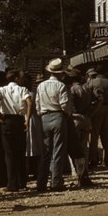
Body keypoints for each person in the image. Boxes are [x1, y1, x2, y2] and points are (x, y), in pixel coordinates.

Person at [0, 69, 32, 192]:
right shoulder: (23, 90)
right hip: (19, 120)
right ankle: (22, 181)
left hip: (6, 121)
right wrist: (27, 119)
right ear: (17, 78)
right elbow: (29, 103)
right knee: (20, 151)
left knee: (9, 153)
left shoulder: (3, 90)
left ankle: (12, 184)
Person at [36, 58, 70, 192]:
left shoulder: (41, 86)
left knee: (45, 152)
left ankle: (41, 183)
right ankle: (56, 182)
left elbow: (37, 105)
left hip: (44, 117)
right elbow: (65, 105)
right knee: (58, 151)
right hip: (58, 116)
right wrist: (66, 115)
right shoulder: (61, 86)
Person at [65, 68, 94, 187]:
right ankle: (84, 171)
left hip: (75, 118)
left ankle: (76, 173)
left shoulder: (72, 90)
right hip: (86, 118)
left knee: (74, 148)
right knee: (84, 147)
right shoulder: (86, 89)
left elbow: (70, 106)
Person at [85, 67, 108, 167]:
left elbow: (89, 94)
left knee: (94, 135)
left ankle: (94, 159)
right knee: (107, 134)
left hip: (97, 108)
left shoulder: (93, 82)